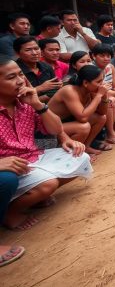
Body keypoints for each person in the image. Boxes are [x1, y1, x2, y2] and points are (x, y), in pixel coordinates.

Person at [0, 57, 91, 230]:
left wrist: (38, 105)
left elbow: (56, 129)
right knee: (47, 184)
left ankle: (35, 197)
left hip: (33, 155)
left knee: (81, 158)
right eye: (11, 77)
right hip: (10, 167)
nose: (20, 81)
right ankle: (10, 212)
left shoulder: (26, 103)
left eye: (20, 74)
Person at [48, 64, 109, 156]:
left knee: (101, 118)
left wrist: (104, 96)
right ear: (85, 83)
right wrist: (99, 95)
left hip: (66, 124)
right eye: (98, 82)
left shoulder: (90, 90)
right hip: (48, 129)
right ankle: (71, 155)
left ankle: (85, 147)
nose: (102, 85)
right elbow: (83, 119)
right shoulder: (69, 90)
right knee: (83, 127)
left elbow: (102, 112)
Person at [13, 36, 61, 103]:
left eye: (36, 48)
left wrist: (58, 86)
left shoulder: (47, 67)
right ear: (17, 53)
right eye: (28, 50)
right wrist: (40, 88)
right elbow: (15, 98)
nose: (34, 53)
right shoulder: (13, 70)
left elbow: (54, 90)